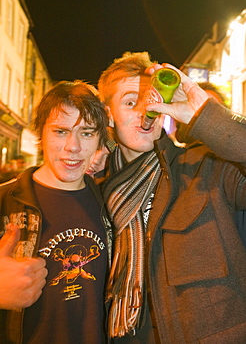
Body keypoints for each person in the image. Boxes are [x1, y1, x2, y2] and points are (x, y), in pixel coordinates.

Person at [98, 51, 246, 343]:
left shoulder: (206, 169)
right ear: (108, 114)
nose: (145, 111)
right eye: (130, 102)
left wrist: (204, 115)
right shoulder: (96, 196)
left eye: (152, 99)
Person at [0, 80, 112, 344]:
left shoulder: (111, 203)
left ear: (99, 139)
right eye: (61, 131)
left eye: (86, 133)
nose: (73, 147)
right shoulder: (5, 201)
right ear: (42, 133)